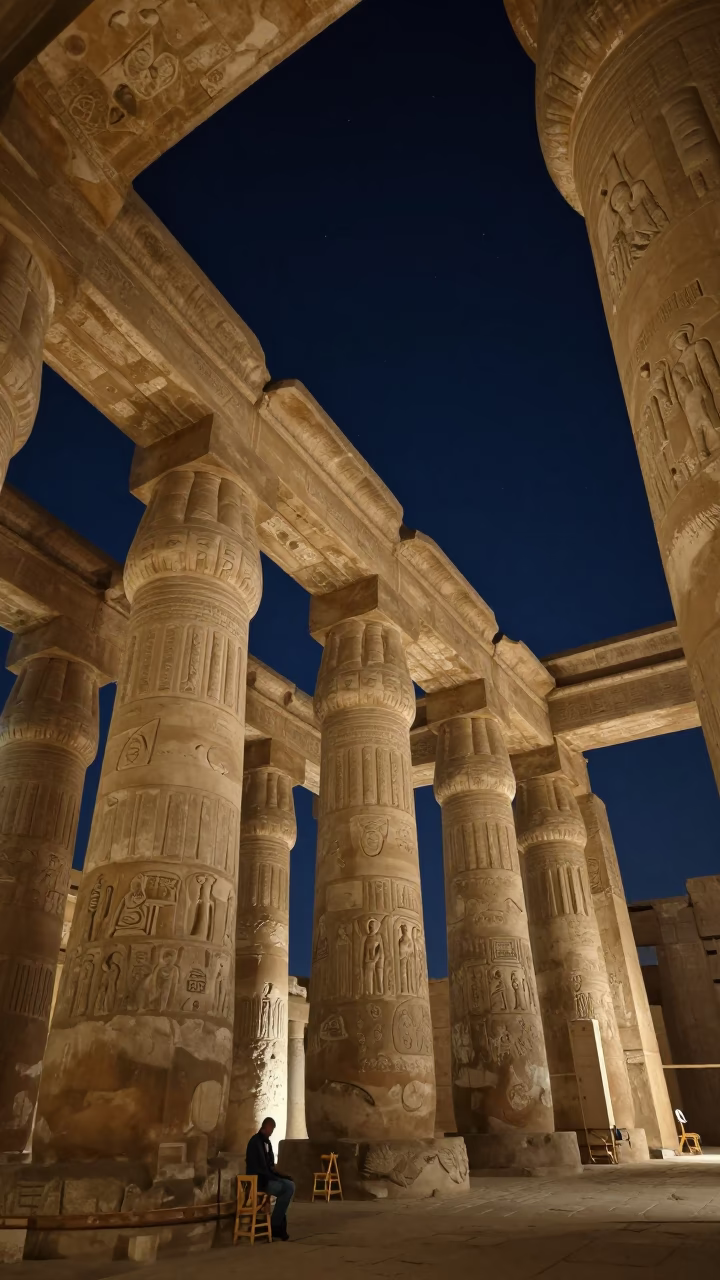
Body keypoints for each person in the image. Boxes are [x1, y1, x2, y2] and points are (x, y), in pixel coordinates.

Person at [245, 1117, 295, 1240]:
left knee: (290, 1185)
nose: (271, 1132)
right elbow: (262, 1168)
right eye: (271, 1129)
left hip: (269, 1178)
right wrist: (276, 1178)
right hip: (260, 1181)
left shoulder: (266, 1142)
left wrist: (283, 1176)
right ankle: (276, 1225)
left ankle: (277, 1223)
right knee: (287, 1189)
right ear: (266, 1127)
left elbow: (271, 1165)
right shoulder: (255, 1142)